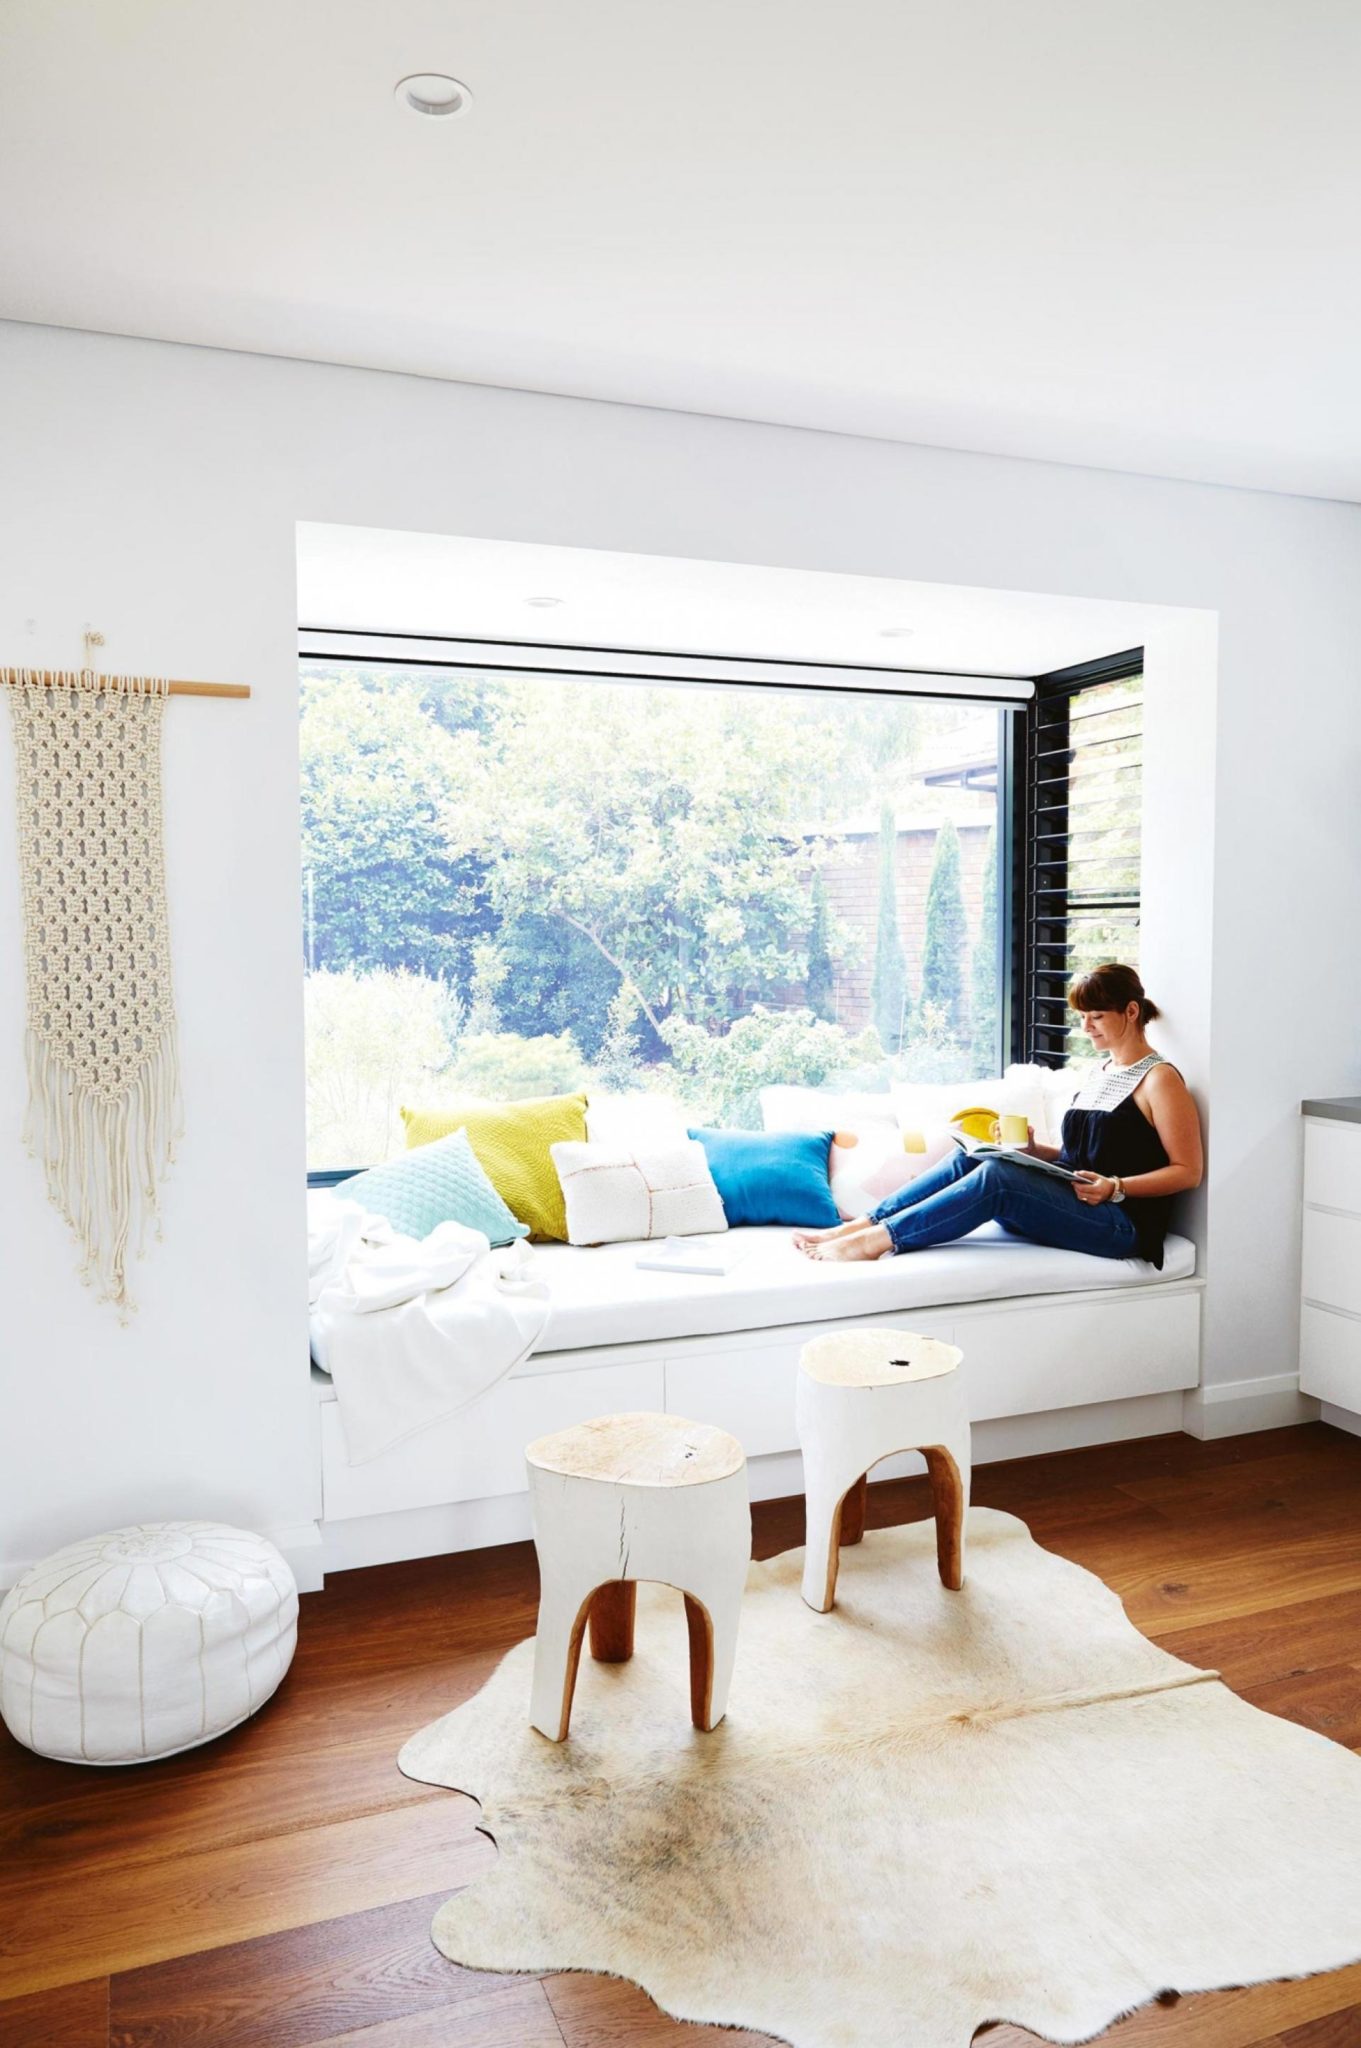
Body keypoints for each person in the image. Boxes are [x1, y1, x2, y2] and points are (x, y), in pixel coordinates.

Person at [795, 963, 1202, 1270]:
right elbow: (1079, 1159)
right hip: (1081, 1204)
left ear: (1131, 1012)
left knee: (999, 1179)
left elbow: (1188, 1171)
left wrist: (1116, 1187)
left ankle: (876, 1242)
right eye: (1082, 1017)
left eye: (1096, 1017)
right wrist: (1030, 1150)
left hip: (1120, 1224)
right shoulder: (1101, 1073)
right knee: (977, 1156)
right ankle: (862, 1224)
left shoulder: (1159, 1079)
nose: (1086, 1027)